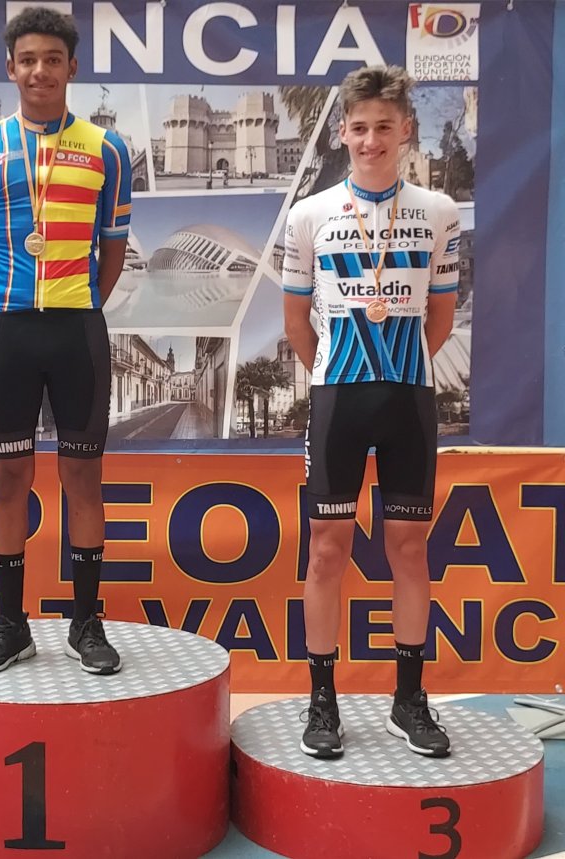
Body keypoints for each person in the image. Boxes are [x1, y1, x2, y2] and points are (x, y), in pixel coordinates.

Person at [282, 65, 459, 758]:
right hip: (338, 398)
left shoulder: (438, 211)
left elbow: (439, 317)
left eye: (385, 126)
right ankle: (322, 700)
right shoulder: (310, 214)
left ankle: (408, 700)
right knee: (327, 548)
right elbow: (296, 323)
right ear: (342, 132)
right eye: (360, 127)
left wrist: (394, 366)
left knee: (409, 549)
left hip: (409, 396)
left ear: (406, 129)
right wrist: (338, 373)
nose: (372, 139)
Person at [0, 8, 132, 675]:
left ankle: (86, 623)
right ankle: (10, 623)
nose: (39, 71)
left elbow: (112, 252)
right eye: (27, 60)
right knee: (8, 477)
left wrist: (77, 301)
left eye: (52, 59)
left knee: (83, 476)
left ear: (71, 67)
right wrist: (10, 301)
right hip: (8, 327)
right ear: (11, 68)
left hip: (77, 327)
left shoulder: (107, 149)